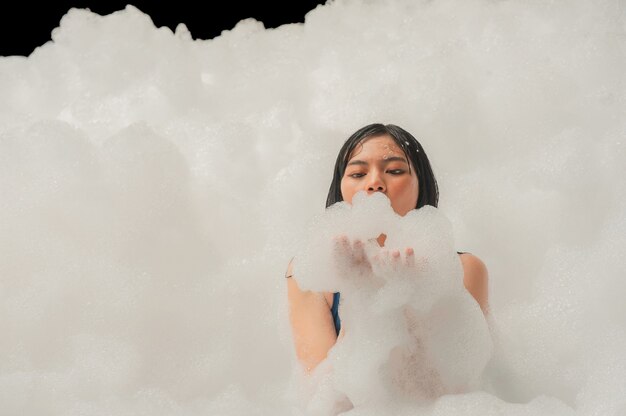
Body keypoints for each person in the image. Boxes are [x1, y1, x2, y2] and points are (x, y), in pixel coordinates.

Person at [285, 123, 489, 374]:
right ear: (340, 188)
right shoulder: (310, 273)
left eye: (394, 170)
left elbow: (459, 386)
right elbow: (320, 398)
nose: (375, 183)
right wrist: (360, 294)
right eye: (358, 174)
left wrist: (407, 302)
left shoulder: (464, 269)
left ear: (421, 184)